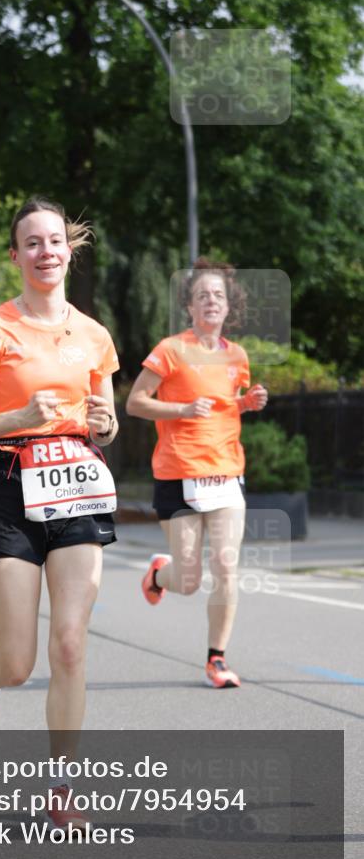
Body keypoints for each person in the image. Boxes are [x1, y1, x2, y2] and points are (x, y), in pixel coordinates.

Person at [0, 197, 119, 830]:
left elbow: (106, 418)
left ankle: (62, 787)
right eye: (33, 244)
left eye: (55, 241)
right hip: (11, 487)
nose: (47, 252)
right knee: (19, 661)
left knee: (70, 645)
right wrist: (19, 417)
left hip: (76, 487)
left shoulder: (95, 334)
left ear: (69, 251)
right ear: (16, 256)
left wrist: (105, 422)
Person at [126, 258, 268, 688]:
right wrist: (182, 409)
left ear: (228, 308)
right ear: (190, 306)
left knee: (226, 566)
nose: (211, 301)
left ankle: (216, 660)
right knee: (187, 580)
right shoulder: (170, 350)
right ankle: (158, 574)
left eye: (219, 296)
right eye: (203, 295)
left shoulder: (237, 357)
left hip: (226, 473)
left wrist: (247, 403)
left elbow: (226, 402)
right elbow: (135, 402)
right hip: (179, 473)